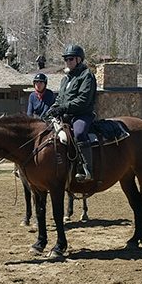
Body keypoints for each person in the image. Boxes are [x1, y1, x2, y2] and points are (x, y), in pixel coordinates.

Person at [45, 44, 97, 182]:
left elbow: (83, 100)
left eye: (71, 59)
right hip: (65, 115)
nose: (68, 62)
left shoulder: (87, 76)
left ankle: (86, 169)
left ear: (79, 60)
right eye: (66, 59)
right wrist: (53, 108)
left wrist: (63, 108)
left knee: (79, 133)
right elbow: (60, 98)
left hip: (82, 115)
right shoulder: (65, 79)